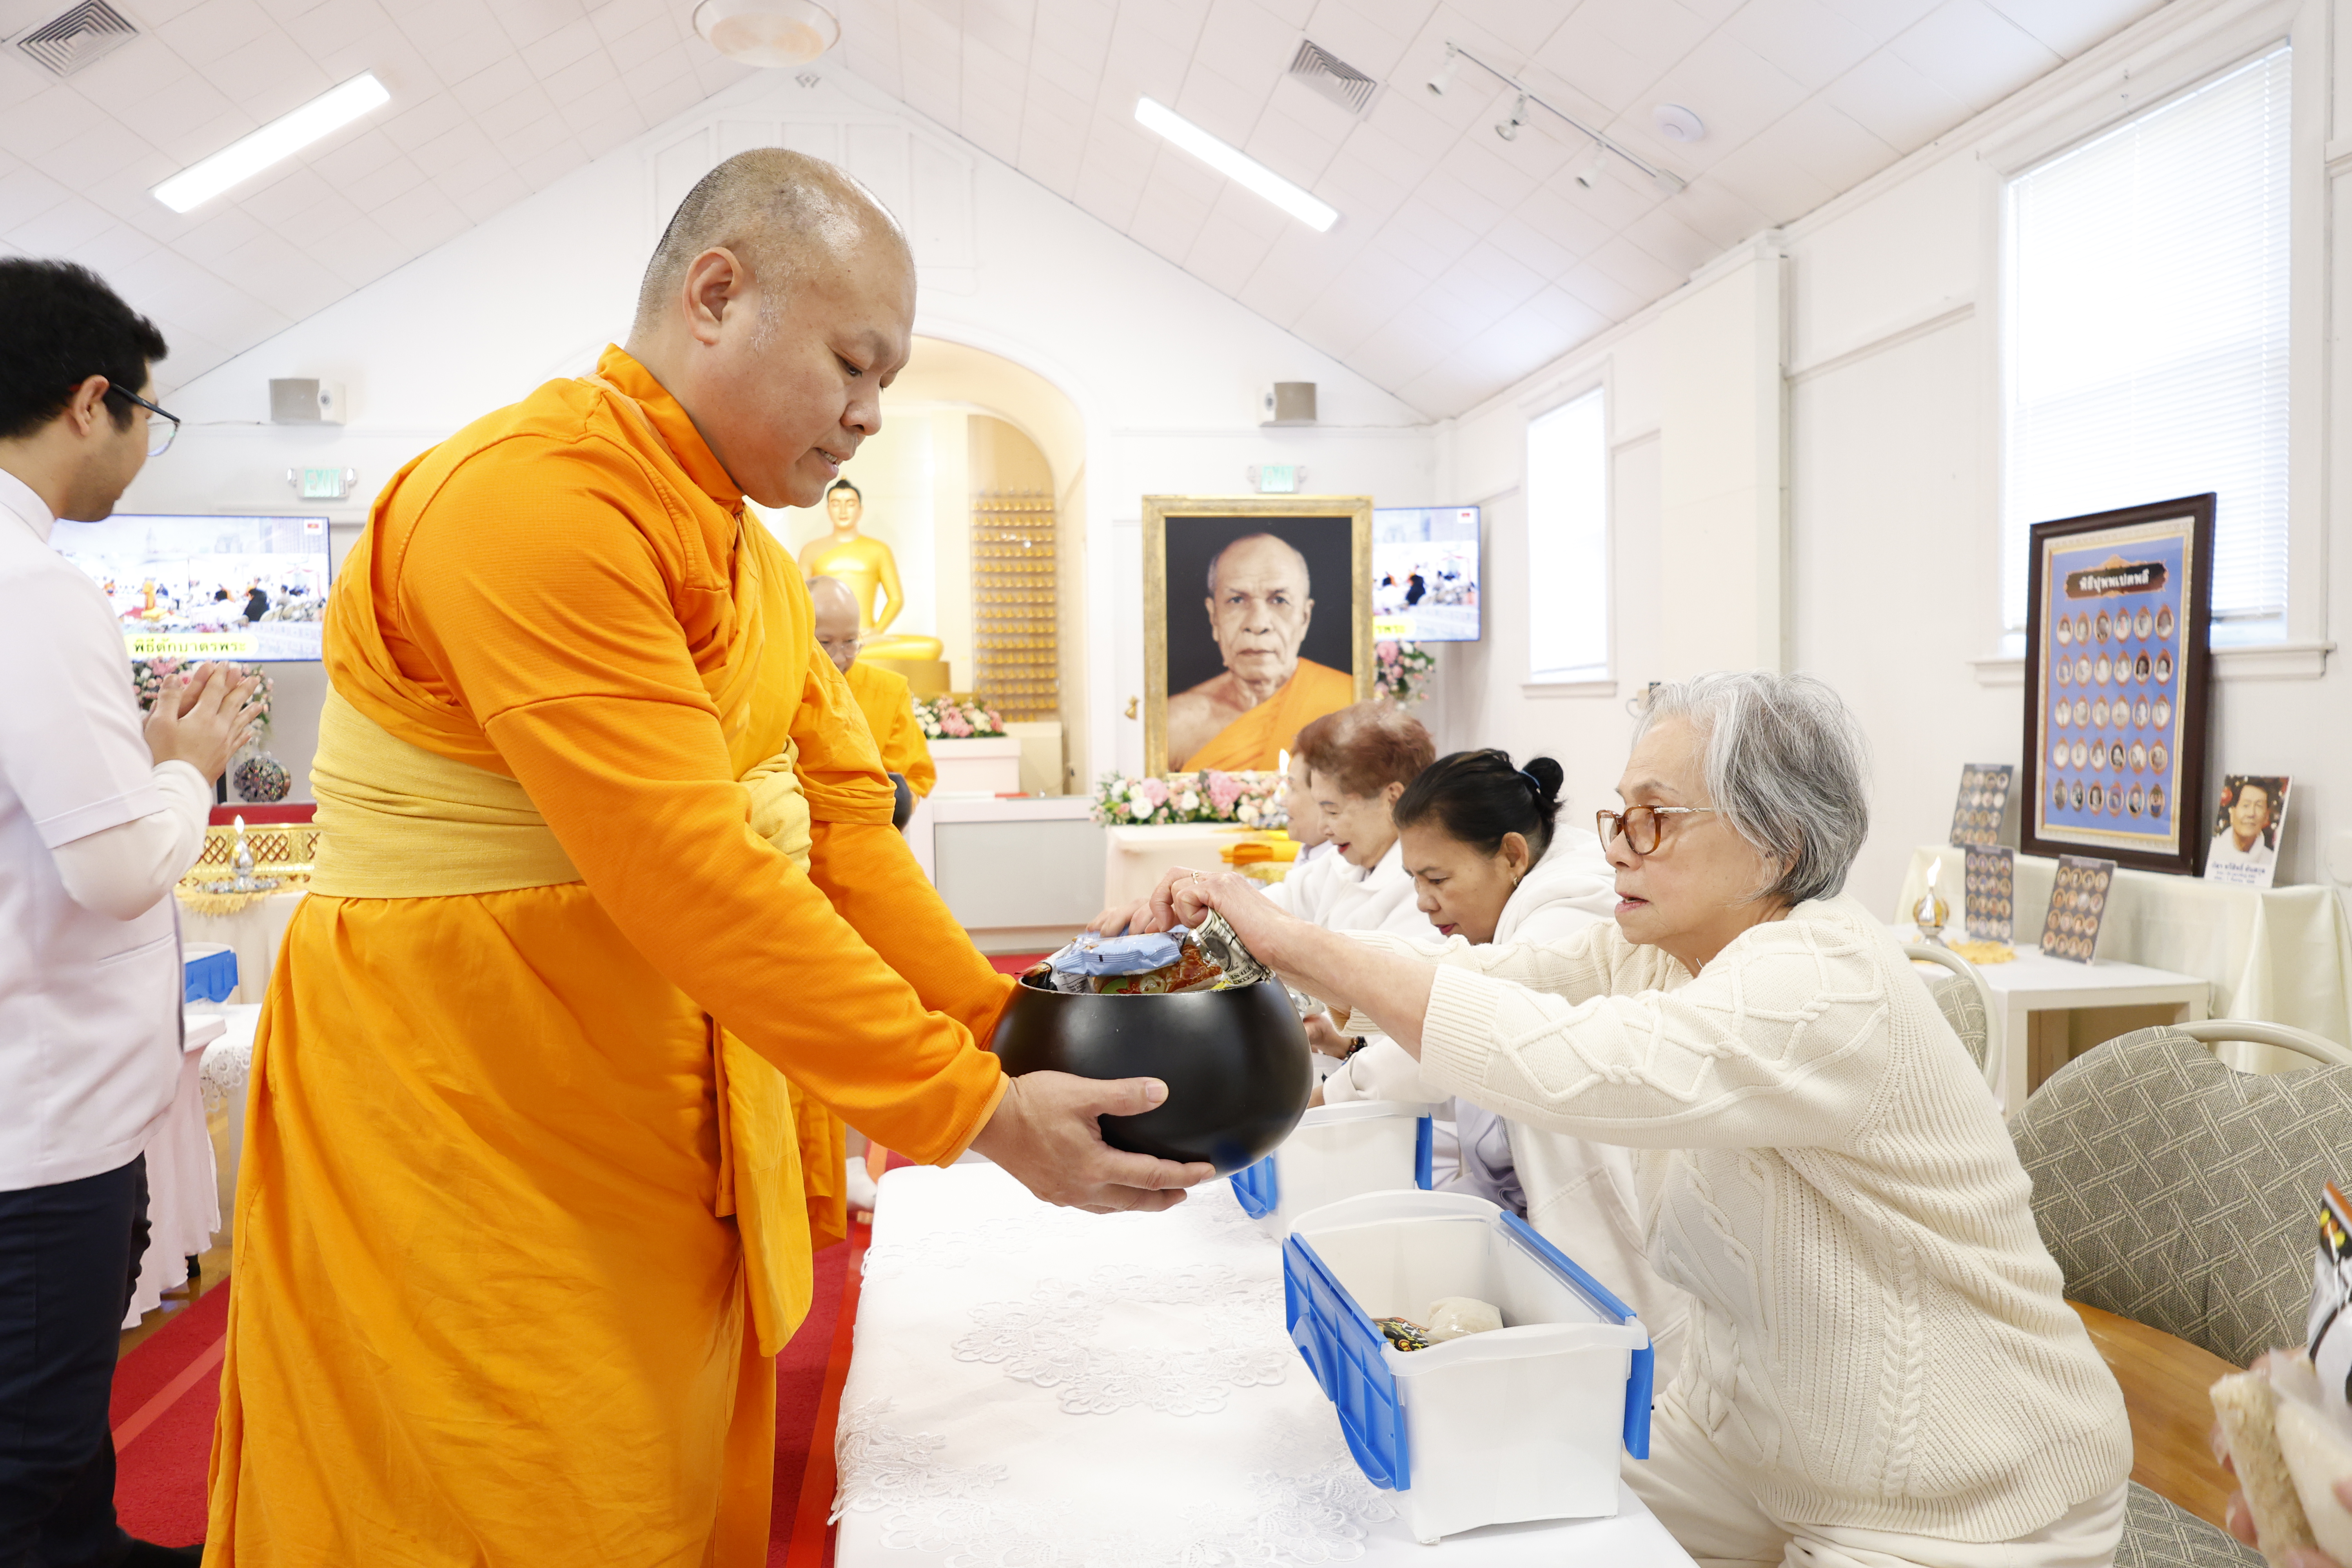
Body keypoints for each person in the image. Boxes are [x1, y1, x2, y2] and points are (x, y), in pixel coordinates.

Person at [204, 149, 1214, 1566]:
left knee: (661, 1468)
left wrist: (1016, 1027)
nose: (870, 416)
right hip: (469, 1088)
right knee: (500, 1475)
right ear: (715, 293)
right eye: (853, 364)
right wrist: (971, 1113)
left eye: (890, 381)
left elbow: (844, 838)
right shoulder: (529, 497)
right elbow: (687, 863)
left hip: (653, 1087)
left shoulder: (746, 558)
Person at [1159, 671, 2132, 1568]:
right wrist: (1285, 951)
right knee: (1481, 1527)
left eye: (1656, 820)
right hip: (1746, 1439)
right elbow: (1486, 978)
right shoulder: (1672, 948)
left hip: (1956, 1493)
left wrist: (1287, 939)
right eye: (1619, 815)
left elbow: (1569, 1064)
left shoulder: (1820, 983)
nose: (1618, 843)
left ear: (1779, 844)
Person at [0, 258, 259, 1568]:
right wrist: (186, 767)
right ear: (94, 401)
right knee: (33, 1446)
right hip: (40, 1122)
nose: (149, 444)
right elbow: (113, 871)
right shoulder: (34, 593)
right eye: (155, 414)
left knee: (51, 1442)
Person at [1165, 532, 1352, 770]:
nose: (1258, 624)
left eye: (1279, 600)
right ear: (1214, 617)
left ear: (1305, 618)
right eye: (1236, 600)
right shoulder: (1177, 724)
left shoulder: (1349, 702)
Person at [810, 572, 936, 799]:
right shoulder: (781, 686)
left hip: (869, 821)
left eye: (850, 642)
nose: (840, 659)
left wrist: (902, 807)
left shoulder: (888, 690)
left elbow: (914, 777)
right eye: (825, 643)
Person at [2204, 775, 2284, 886]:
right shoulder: (2213, 852)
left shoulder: (2270, 860)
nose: (2251, 813)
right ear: (2232, 813)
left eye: (2259, 806)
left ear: (2266, 818)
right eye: (2246, 805)